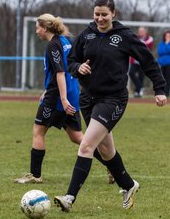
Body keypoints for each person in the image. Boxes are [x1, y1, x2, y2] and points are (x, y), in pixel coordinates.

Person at [54, 0, 167, 212]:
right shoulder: (86, 35)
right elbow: (71, 61)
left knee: (87, 145)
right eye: (97, 14)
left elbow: (148, 61)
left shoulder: (125, 36)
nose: (100, 18)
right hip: (88, 99)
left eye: (104, 14)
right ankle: (129, 185)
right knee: (106, 152)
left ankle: (69, 198)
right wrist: (78, 68)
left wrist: (159, 88)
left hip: (113, 99)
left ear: (113, 14)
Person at [14, 13, 112, 184]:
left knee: (38, 132)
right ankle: (112, 167)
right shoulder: (66, 40)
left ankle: (35, 176)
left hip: (58, 98)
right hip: (72, 93)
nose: (37, 31)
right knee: (77, 137)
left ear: (45, 28)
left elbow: (60, 72)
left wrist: (62, 99)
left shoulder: (53, 45)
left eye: (38, 28)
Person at [129, 26, 154, 98]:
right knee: (131, 73)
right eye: (139, 31)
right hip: (134, 60)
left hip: (143, 61)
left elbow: (145, 46)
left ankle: (137, 92)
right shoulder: (135, 37)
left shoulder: (150, 39)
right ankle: (140, 87)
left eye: (142, 31)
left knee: (141, 76)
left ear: (145, 32)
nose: (141, 33)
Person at [157, 30, 170, 97]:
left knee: (168, 79)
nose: (167, 37)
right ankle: (162, 93)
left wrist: (167, 45)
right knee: (162, 79)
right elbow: (160, 52)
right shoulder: (161, 44)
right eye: (166, 36)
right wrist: (166, 49)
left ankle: (167, 94)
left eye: (169, 36)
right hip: (162, 64)